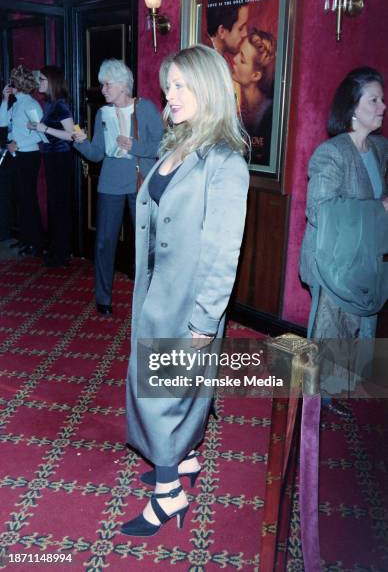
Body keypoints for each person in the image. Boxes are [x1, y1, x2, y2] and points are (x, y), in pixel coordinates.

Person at [121, 44, 249, 537]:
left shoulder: (225, 162)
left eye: (179, 85)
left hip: (188, 302)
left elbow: (223, 253)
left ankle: (169, 494)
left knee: (163, 393)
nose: (168, 94)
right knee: (170, 386)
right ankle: (184, 460)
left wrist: (202, 320)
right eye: (167, 84)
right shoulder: (177, 144)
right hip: (157, 291)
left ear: (208, 88)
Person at [300, 66, 388, 416]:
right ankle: (314, 402)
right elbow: (320, 210)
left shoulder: (380, 149)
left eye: (383, 99)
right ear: (353, 107)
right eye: (375, 99)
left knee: (355, 326)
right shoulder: (331, 154)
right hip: (331, 259)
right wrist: (377, 209)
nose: (382, 106)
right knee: (329, 330)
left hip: (362, 258)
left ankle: (335, 388)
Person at [73, 59, 163, 315]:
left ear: (123, 85)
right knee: (104, 243)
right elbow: (97, 154)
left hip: (139, 183)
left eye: (107, 84)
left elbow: (162, 146)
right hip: (110, 183)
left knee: (146, 244)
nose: (102, 89)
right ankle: (103, 298)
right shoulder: (103, 113)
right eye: (102, 84)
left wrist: (134, 146)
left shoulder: (145, 109)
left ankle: (148, 298)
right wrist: (79, 141)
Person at [27, 66, 74, 267]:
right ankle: (57, 250)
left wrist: (43, 128)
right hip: (52, 158)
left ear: (52, 81)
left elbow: (72, 135)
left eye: (43, 80)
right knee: (54, 205)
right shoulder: (50, 104)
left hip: (61, 159)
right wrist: (37, 128)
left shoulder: (60, 105)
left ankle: (62, 254)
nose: (40, 83)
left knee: (60, 206)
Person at [0, 66, 44, 254]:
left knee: (28, 199)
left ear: (19, 84)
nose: (10, 85)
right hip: (16, 155)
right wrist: (4, 99)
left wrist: (18, 144)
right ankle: (25, 239)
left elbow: (40, 135)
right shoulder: (16, 103)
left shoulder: (32, 105)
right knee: (20, 198)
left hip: (29, 156)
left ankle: (35, 242)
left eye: (13, 82)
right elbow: (2, 123)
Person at [231, 29, 276, 164]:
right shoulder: (238, 107)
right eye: (238, 52)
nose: (234, 59)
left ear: (256, 75)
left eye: (242, 60)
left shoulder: (268, 116)